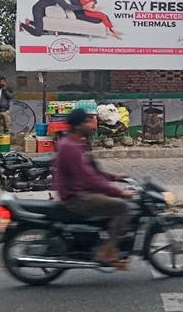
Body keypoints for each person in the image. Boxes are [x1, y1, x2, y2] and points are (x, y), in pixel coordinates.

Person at [53, 109, 135, 268]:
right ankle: (108, 252)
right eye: (86, 122)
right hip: (76, 197)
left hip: (78, 191)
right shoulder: (71, 147)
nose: (91, 125)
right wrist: (120, 192)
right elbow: (89, 178)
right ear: (78, 126)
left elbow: (93, 171)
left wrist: (115, 177)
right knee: (122, 207)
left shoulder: (76, 143)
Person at [21, 0, 85, 36]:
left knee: (44, 27)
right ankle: (21, 25)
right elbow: (66, 6)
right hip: (38, 9)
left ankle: (29, 22)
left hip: (44, 9)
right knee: (38, 32)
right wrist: (83, 7)